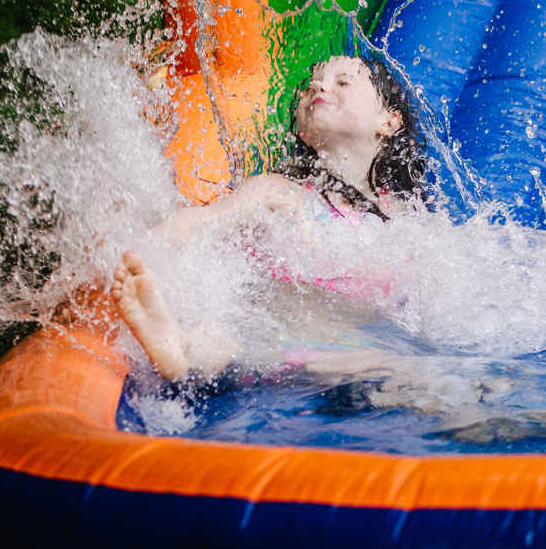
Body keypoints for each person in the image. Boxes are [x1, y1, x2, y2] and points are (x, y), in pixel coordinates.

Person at [111, 54, 427, 380]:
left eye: (342, 82)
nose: (318, 85)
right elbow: (202, 221)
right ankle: (178, 346)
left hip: (348, 352)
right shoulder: (280, 192)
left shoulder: (400, 216)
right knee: (225, 343)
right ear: (303, 132)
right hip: (280, 350)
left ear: (389, 122)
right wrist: (138, 251)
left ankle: (184, 351)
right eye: (310, 85)